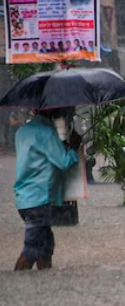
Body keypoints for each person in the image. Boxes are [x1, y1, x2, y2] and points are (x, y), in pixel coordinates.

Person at [12, 108, 82, 270]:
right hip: (39, 199)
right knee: (32, 249)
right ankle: (20, 281)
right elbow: (64, 162)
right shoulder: (46, 133)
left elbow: (38, 157)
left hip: (24, 199)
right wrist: (73, 148)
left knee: (46, 246)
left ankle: (42, 281)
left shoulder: (22, 132)